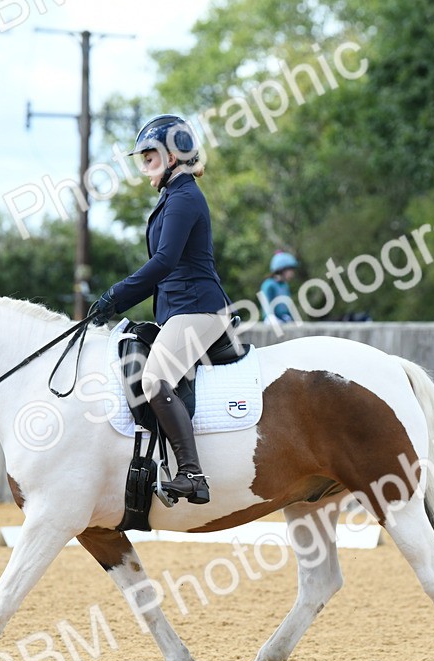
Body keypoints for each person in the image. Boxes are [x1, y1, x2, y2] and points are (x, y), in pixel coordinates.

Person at [91, 114, 233, 505]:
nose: (144, 166)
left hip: (199, 309)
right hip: (178, 309)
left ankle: (192, 473)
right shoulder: (172, 197)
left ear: (174, 156)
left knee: (154, 379)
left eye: (150, 156)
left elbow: (165, 262)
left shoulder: (185, 197)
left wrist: (115, 296)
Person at [259, 251, 299, 323]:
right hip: (272, 320)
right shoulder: (268, 284)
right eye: (290, 270)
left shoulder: (284, 285)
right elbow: (266, 307)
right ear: (281, 270)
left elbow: (287, 306)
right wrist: (271, 318)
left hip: (284, 318)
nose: (292, 273)